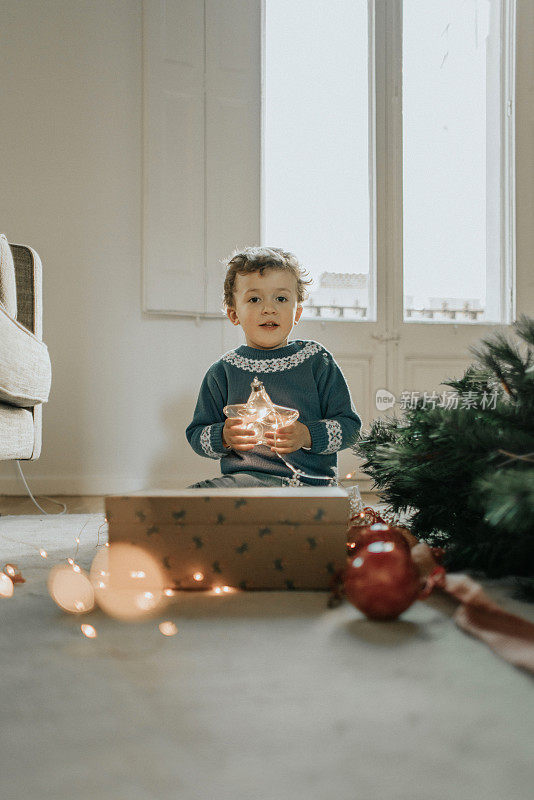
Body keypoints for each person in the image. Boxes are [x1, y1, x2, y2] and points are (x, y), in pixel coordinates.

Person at [185, 246, 362, 488]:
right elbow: (196, 434)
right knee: (194, 498)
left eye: (281, 298)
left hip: (311, 485)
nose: (269, 308)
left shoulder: (316, 361)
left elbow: (350, 428)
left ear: (297, 312)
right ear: (234, 314)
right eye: (254, 299)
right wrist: (224, 437)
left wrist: (307, 435)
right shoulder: (223, 372)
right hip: (245, 481)